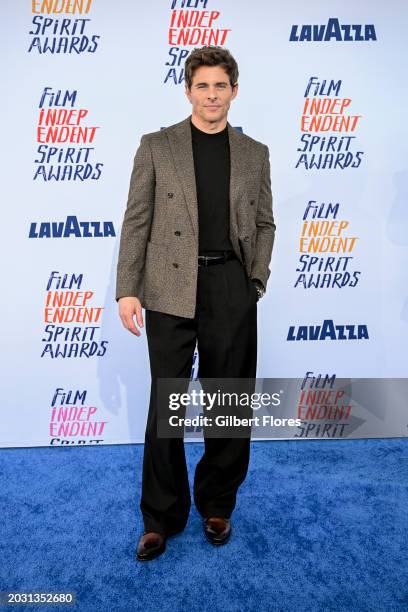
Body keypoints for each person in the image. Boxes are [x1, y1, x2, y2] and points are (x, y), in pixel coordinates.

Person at [116, 45, 276, 561]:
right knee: (167, 403)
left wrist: (254, 279)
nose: (212, 95)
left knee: (228, 403)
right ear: (188, 91)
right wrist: (127, 287)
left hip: (230, 285)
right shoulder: (156, 146)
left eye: (220, 85)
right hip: (167, 288)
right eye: (202, 86)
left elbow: (265, 223)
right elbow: (136, 220)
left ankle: (217, 503)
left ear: (233, 91)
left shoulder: (255, 153)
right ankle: (160, 517)